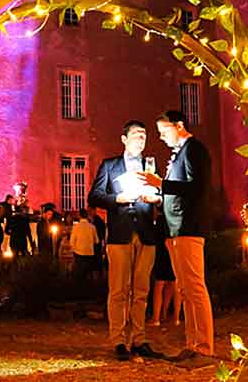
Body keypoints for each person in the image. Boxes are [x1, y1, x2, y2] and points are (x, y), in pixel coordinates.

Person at [140, 110, 215, 360]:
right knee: (184, 288)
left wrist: (161, 184)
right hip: (175, 229)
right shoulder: (180, 153)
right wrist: (159, 197)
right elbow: (180, 191)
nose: (161, 138)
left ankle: (203, 347)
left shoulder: (194, 150)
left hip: (188, 227)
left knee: (194, 287)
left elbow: (197, 187)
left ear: (179, 125)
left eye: (163, 131)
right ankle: (193, 344)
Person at [89, 120, 162, 360]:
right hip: (120, 233)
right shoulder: (110, 165)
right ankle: (118, 339)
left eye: (144, 136)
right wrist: (118, 198)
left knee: (142, 290)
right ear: (124, 139)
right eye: (136, 135)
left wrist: (157, 198)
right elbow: (95, 196)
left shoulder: (149, 166)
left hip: (145, 232)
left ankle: (139, 339)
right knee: (118, 289)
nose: (140, 140)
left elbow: (161, 193)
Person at [148, 214, 181, 328]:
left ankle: (156, 318)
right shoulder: (175, 216)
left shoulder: (161, 220)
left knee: (159, 285)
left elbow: (155, 235)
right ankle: (174, 317)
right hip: (175, 249)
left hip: (162, 252)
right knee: (174, 284)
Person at [69, 208, 99, 283]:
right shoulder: (92, 227)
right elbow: (97, 241)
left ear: (79, 216)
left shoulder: (76, 227)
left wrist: (74, 249)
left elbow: (72, 242)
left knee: (79, 275)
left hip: (79, 253)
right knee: (88, 274)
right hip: (89, 253)